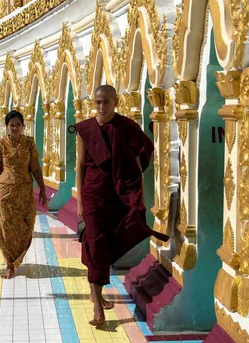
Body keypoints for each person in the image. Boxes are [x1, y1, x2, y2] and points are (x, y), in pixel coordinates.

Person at [73, 85, 169, 326]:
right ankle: (98, 307)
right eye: (97, 102)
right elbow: (81, 166)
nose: (101, 107)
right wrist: (80, 201)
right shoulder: (86, 130)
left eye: (106, 102)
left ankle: (96, 292)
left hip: (118, 195)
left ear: (116, 102)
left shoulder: (127, 128)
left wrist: (140, 197)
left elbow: (138, 165)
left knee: (107, 243)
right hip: (93, 194)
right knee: (96, 244)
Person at [0, 110, 48, 279]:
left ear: (23, 126)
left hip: (25, 191)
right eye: (11, 125)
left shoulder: (29, 144)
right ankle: (10, 264)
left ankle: (17, 258)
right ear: (7, 126)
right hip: (5, 191)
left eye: (18, 125)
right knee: (6, 227)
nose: (15, 128)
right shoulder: (1, 145)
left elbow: (35, 168)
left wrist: (42, 189)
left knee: (25, 225)